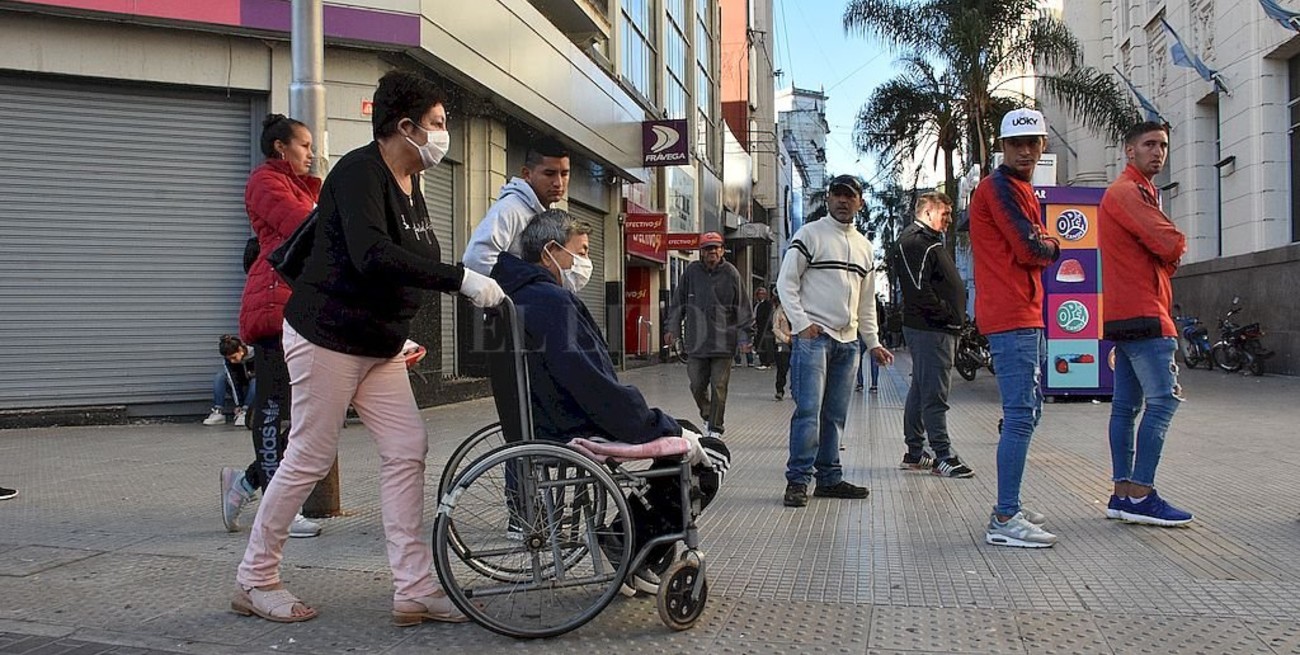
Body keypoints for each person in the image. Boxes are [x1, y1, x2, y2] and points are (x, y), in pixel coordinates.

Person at [232, 70, 505, 626]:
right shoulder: (360, 172)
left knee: (408, 446)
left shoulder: (412, 183)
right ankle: (254, 578)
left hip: (376, 344)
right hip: (326, 335)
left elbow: (393, 268)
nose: (441, 135)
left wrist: (397, 330)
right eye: (437, 124)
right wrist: (460, 279)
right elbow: (371, 254)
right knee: (308, 454)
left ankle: (414, 588)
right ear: (404, 127)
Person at [490, 209, 729, 579]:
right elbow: (592, 384)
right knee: (710, 455)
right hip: (573, 424)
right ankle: (631, 546)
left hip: (544, 419)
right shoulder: (551, 302)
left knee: (679, 431)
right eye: (581, 251)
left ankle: (628, 539)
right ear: (551, 250)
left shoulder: (519, 294)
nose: (585, 262)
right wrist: (655, 424)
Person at [220, 114, 323, 540]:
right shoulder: (266, 181)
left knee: (307, 415)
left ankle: (245, 483)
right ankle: (277, 508)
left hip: (302, 307)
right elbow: (305, 228)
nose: (311, 153)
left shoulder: (302, 186)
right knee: (276, 409)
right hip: (274, 305)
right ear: (281, 147)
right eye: (303, 145)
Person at [970, 108, 1061, 548]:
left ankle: (1011, 505)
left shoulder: (1017, 188)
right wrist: (1054, 244)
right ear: (1002, 147)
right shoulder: (1000, 188)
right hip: (1013, 316)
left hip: (1023, 314)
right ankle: (1005, 516)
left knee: (1028, 412)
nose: (1025, 150)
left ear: (1043, 145)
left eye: (1033, 142)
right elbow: (1031, 249)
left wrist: (1045, 244)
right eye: (1016, 143)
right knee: (1022, 415)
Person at [779, 174, 893, 508]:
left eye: (850, 196)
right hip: (814, 339)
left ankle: (829, 478)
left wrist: (872, 342)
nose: (844, 201)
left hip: (848, 343)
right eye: (838, 195)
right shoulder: (810, 234)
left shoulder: (864, 247)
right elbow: (786, 282)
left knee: (835, 414)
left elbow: (866, 301)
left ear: (860, 202)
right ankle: (798, 481)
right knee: (809, 412)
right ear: (828, 199)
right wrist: (801, 324)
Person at [1099, 121, 1192, 527]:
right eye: (1149, 144)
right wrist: (1169, 252)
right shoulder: (1128, 192)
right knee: (1163, 401)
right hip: (1146, 313)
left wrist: (1164, 253)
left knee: (1125, 407)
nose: (1159, 152)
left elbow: (1163, 248)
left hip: (1124, 313)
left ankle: (1122, 494)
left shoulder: (1134, 192)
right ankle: (1141, 493)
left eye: (1164, 145)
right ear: (1129, 150)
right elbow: (1171, 244)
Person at [893, 191, 974, 479]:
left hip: (934, 328)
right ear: (927, 212)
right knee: (935, 393)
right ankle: (944, 456)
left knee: (922, 388)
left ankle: (915, 452)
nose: (950, 220)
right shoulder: (916, 242)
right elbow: (918, 289)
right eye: (946, 213)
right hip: (931, 329)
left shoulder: (927, 242)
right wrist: (948, 315)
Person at [664, 232, 752, 439]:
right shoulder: (691, 273)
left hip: (723, 343)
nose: (712, 252)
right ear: (701, 252)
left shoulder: (731, 273)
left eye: (715, 248)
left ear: (722, 250)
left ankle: (715, 428)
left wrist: (745, 337)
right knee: (696, 385)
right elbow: (678, 305)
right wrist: (672, 329)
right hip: (696, 343)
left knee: (719, 387)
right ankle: (707, 414)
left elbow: (743, 307)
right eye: (707, 249)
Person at [462, 136, 571, 275]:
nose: (559, 183)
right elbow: (476, 260)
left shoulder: (551, 214)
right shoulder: (509, 209)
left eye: (564, 174)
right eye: (549, 174)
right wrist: (518, 291)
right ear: (527, 173)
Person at [204, 335, 257, 428]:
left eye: (234, 357)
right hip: (240, 390)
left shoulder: (257, 354)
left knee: (256, 380)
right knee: (220, 377)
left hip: (256, 393)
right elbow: (233, 381)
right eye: (229, 359)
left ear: (240, 349)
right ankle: (218, 412)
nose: (232, 361)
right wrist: (239, 405)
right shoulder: (228, 361)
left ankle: (246, 412)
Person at [771, 292, 792, 401]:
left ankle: (795, 390)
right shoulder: (779, 312)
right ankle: (779, 390)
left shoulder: (797, 310)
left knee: (797, 368)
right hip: (782, 343)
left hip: (798, 342)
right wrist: (787, 339)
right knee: (782, 368)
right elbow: (775, 328)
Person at [752, 286, 774, 370]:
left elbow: (767, 316)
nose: (761, 295)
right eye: (760, 294)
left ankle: (766, 362)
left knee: (765, 345)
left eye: (763, 294)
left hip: (765, 327)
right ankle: (762, 361)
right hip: (758, 327)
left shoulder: (767, 304)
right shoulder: (756, 304)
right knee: (759, 344)